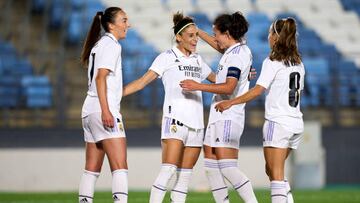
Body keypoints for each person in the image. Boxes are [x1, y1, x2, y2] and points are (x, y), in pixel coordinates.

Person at [122, 12, 215, 203]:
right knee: (168, 170)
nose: (195, 40)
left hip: (197, 124)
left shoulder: (198, 60)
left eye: (196, 35)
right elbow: (141, 82)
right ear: (178, 37)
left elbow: (220, 82)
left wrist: (242, 74)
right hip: (175, 121)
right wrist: (115, 95)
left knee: (184, 178)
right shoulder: (166, 57)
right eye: (191, 36)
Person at [215, 17, 305, 203]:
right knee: (272, 170)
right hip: (295, 123)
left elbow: (258, 90)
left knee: (276, 175)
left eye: (270, 33)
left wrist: (231, 102)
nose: (268, 37)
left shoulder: (273, 61)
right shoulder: (298, 63)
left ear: (276, 37)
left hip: (278, 123)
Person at [180, 12, 258, 203]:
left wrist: (197, 85)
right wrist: (196, 30)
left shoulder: (238, 55)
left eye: (216, 33)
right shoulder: (234, 51)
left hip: (229, 115)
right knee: (210, 165)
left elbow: (229, 87)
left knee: (228, 167)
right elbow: (219, 46)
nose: (214, 38)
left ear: (228, 33)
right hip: (219, 113)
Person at [78, 7, 130, 203]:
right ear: (111, 25)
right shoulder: (112, 45)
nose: (128, 25)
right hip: (102, 110)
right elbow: (101, 78)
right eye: (124, 20)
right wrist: (107, 110)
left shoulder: (99, 44)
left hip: (89, 110)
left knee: (91, 168)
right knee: (120, 165)